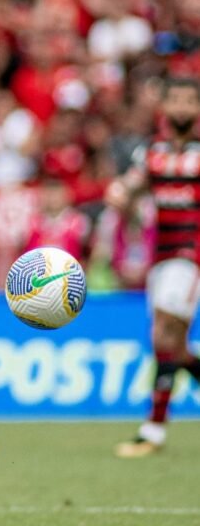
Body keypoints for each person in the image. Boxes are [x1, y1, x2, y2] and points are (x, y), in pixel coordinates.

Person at [110, 77, 200, 458]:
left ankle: (153, 431)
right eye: (175, 100)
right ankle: (154, 429)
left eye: (189, 100)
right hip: (159, 259)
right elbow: (127, 193)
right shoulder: (151, 154)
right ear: (164, 108)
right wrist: (121, 197)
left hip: (191, 256)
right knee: (170, 346)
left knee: (164, 333)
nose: (181, 107)